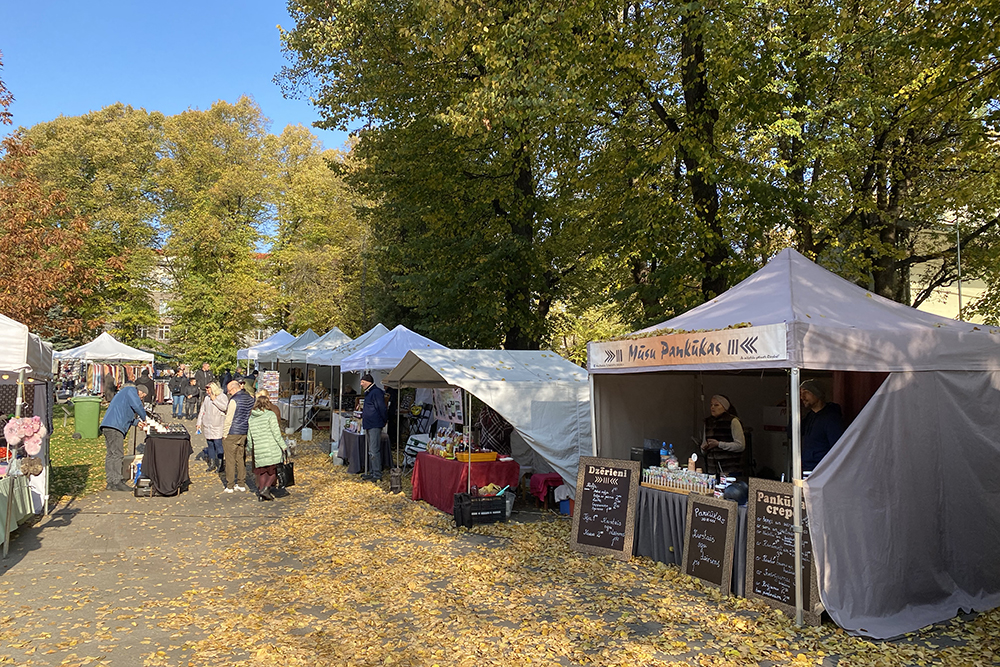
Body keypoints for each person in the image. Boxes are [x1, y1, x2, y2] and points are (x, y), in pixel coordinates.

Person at [99, 383, 148, 492]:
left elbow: (125, 414)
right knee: (117, 454)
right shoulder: (131, 390)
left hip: (109, 425)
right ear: (140, 392)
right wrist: (145, 418)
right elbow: (137, 406)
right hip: (115, 427)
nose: (141, 399)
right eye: (142, 396)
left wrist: (137, 423)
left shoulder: (124, 394)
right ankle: (117, 481)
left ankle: (110, 481)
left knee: (111, 454)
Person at [247, 394, 288, 501]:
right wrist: (283, 446)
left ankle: (261, 494)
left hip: (259, 448)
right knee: (274, 470)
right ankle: (266, 489)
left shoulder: (251, 417)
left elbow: (249, 435)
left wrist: (250, 447)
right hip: (271, 447)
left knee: (262, 472)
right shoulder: (270, 415)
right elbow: (276, 433)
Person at [799, 379, 845, 472]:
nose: (802, 397)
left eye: (806, 392)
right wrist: (796, 412)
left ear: (817, 394)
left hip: (821, 470)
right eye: (800, 393)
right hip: (808, 467)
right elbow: (792, 433)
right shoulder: (810, 416)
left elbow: (837, 447)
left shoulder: (831, 419)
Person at [221, 380, 255, 493]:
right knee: (241, 458)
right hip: (244, 431)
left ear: (234, 389)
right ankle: (241, 483)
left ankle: (230, 485)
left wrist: (224, 434)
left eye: (229, 391)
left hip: (232, 431)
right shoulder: (251, 398)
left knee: (230, 459)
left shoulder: (234, 400)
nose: (229, 393)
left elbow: (229, 419)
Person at [701, 394, 746, 478]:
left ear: (725, 407)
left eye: (716, 405)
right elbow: (704, 444)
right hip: (712, 470)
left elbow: (740, 445)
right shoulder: (707, 422)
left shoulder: (733, 421)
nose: (712, 407)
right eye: (711, 405)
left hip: (730, 469)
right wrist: (704, 448)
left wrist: (719, 444)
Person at [360, 373, 388, 482]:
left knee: (374, 450)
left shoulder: (375, 392)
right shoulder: (370, 392)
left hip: (374, 424)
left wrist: (384, 420)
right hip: (369, 423)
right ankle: (372, 472)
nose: (361, 384)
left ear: (368, 382)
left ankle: (377, 474)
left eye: (362, 382)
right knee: (371, 450)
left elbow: (381, 408)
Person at [197, 381, 229, 472]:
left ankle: (220, 464)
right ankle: (212, 464)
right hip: (208, 425)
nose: (207, 391)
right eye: (206, 389)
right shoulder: (207, 398)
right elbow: (202, 410)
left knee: (218, 444)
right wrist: (199, 423)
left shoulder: (222, 397)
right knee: (210, 444)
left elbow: (225, 408)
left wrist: (215, 400)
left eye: (208, 389)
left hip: (218, 425)